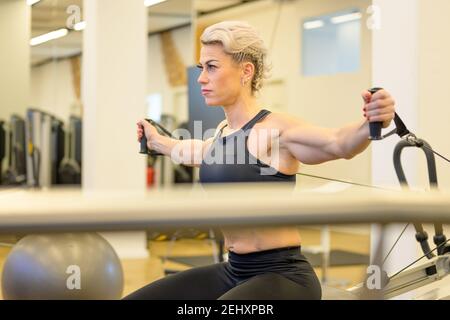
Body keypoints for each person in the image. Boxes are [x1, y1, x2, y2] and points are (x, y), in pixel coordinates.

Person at [127, 21, 396, 300]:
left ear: (246, 71)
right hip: (234, 271)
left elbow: (337, 143)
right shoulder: (222, 133)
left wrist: (372, 120)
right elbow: (194, 151)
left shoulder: (274, 130)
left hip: (283, 277)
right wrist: (157, 140)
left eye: (212, 67)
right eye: (201, 68)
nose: (201, 79)